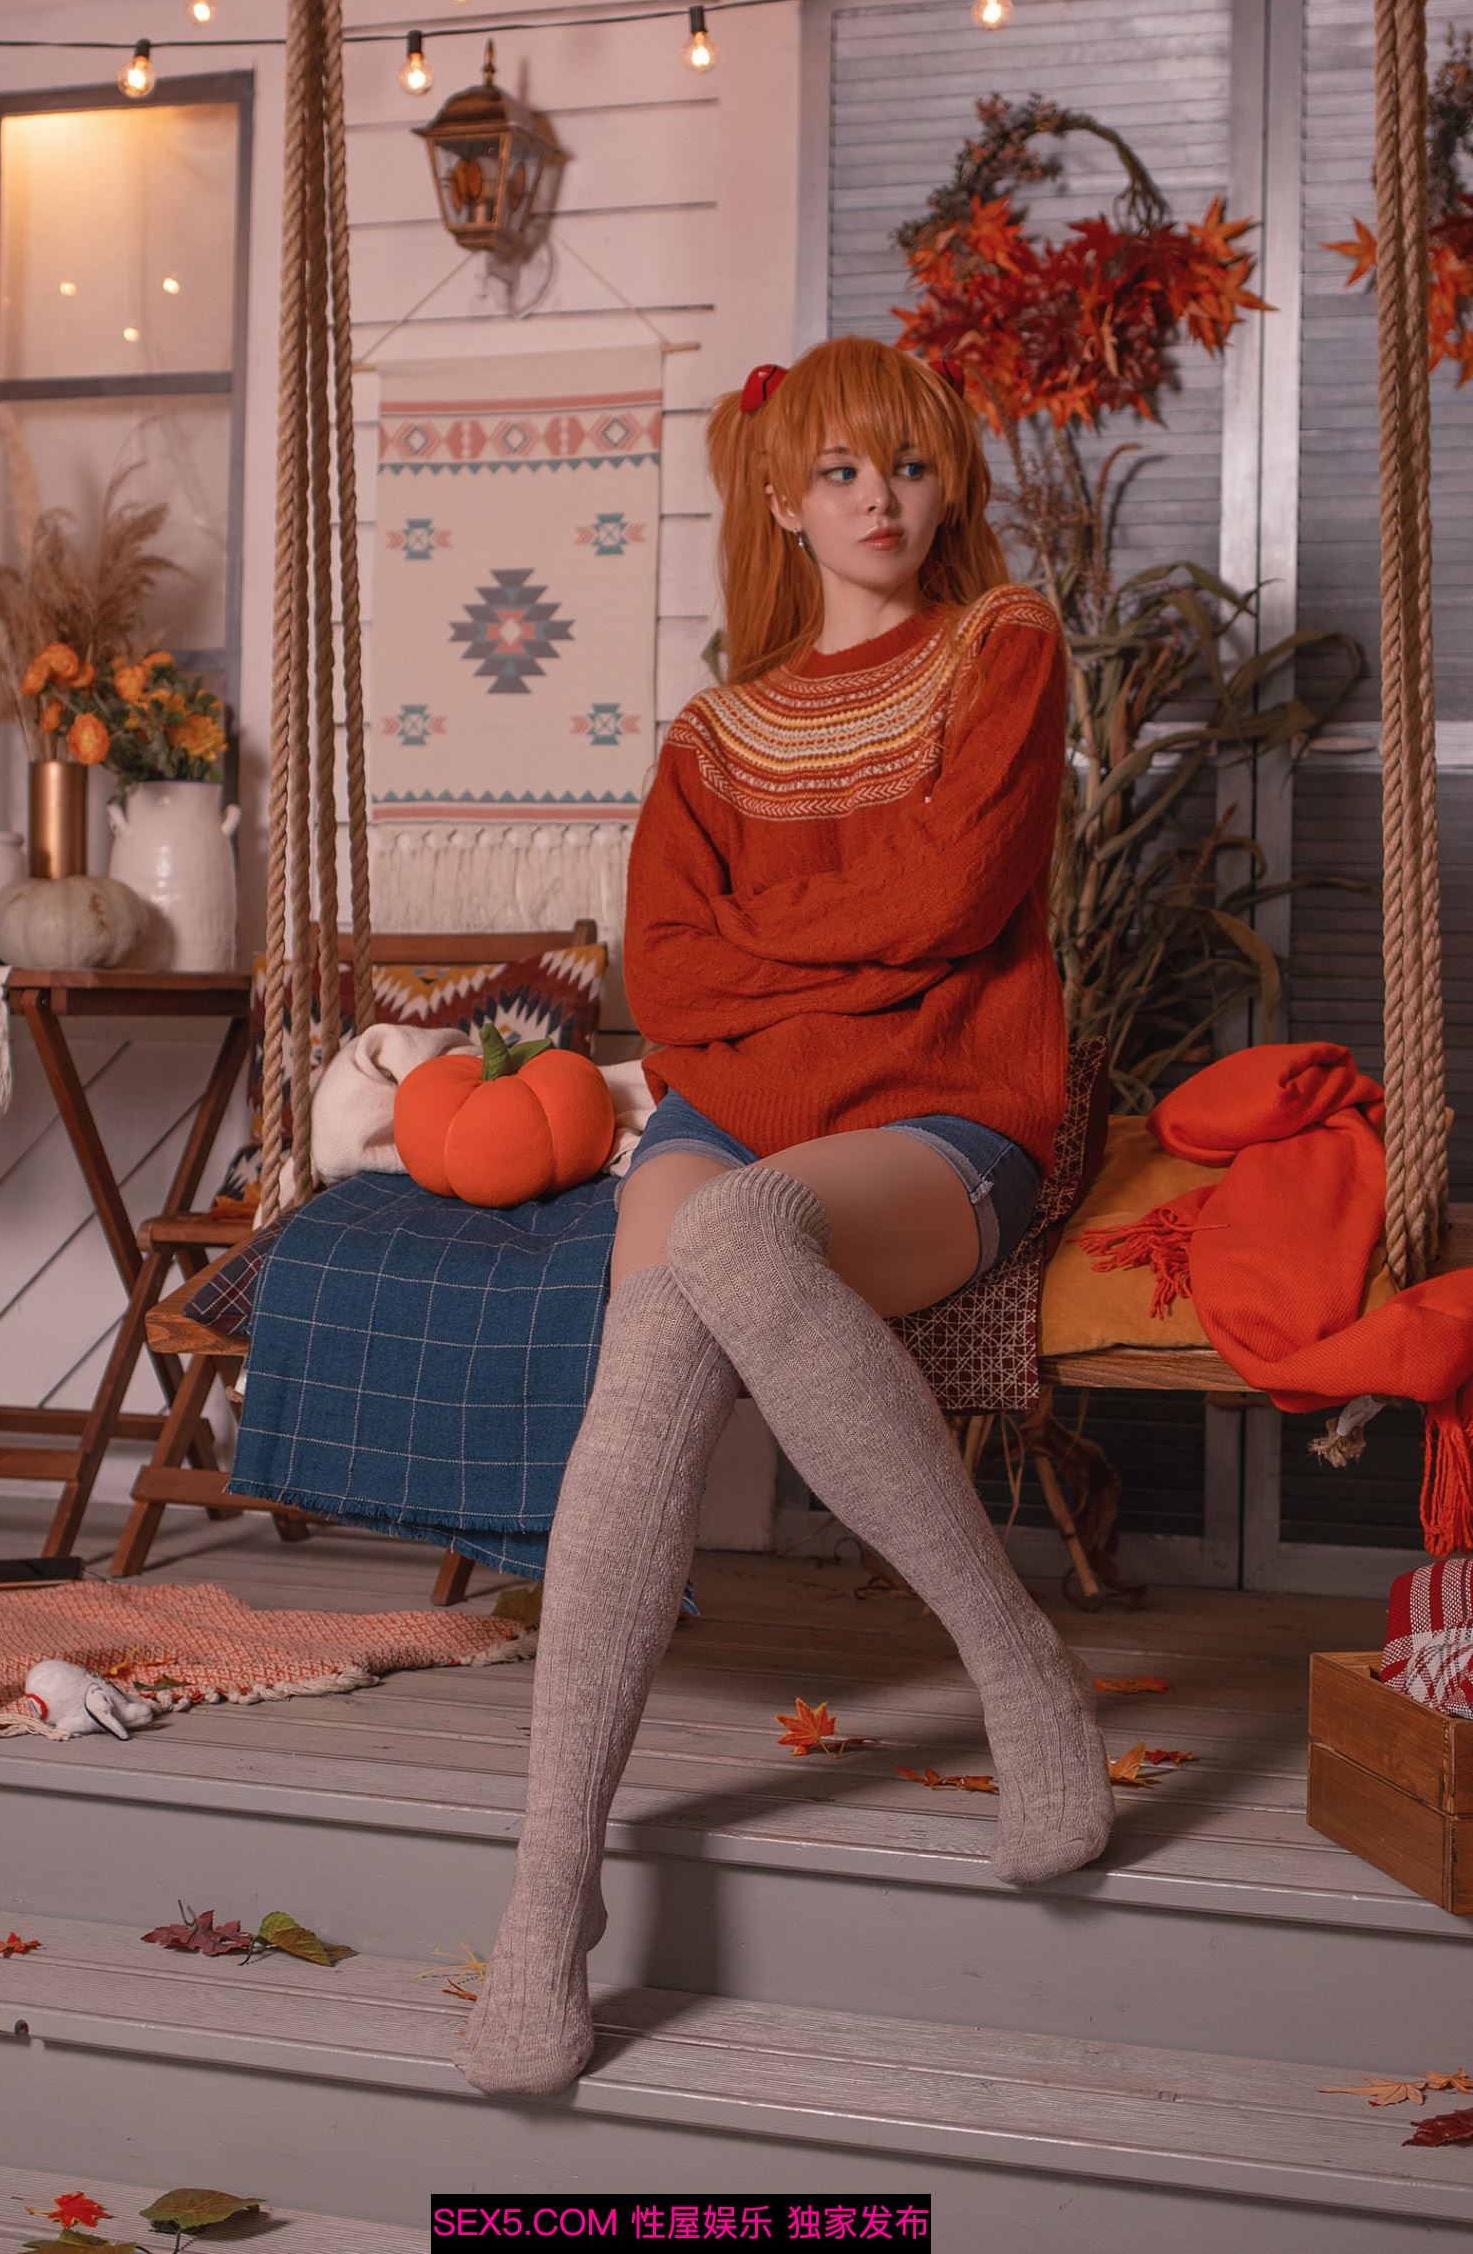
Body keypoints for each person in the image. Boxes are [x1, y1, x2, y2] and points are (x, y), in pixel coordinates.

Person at [458, 333, 1114, 2099]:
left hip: (948, 1106)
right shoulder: (713, 737)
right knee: (648, 1353)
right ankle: (547, 1897)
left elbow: (961, 897)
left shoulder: (1003, 644)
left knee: (733, 1237)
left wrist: (778, 954)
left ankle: (1019, 1668)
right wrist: (839, 957)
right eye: (840, 471)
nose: (880, 499)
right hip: (731, 1106)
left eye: (908, 464)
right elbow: (670, 980)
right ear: (780, 501)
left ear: (946, 484)